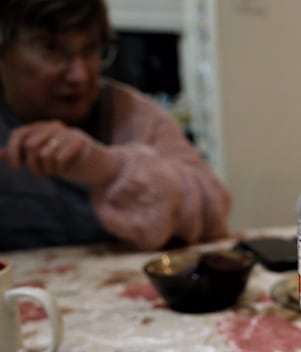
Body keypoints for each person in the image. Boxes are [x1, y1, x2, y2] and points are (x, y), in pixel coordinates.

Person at [0, 0, 231, 252]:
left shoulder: (133, 114)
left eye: (91, 50)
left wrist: (109, 168)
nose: (80, 75)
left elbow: (214, 210)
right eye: (51, 49)